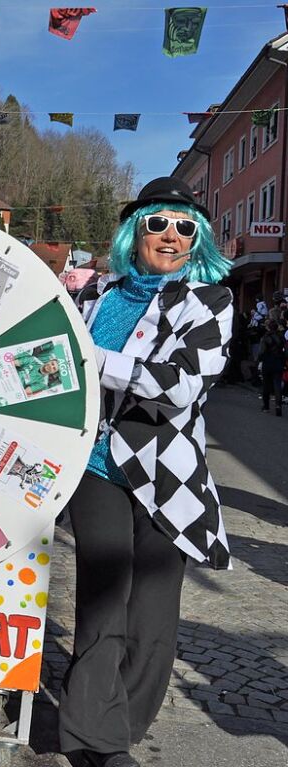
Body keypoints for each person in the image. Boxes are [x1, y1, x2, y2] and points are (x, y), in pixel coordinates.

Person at [59, 177, 233, 767]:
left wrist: (95, 360)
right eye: (158, 223)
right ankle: (94, 740)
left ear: (197, 239)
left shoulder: (208, 302)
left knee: (152, 617)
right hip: (96, 467)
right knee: (105, 600)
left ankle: (120, 727)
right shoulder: (94, 297)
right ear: (136, 231)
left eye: (185, 227)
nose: (170, 236)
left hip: (168, 477)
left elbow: (181, 384)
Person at [259, 318, 285, 416]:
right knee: (277, 384)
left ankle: (266, 406)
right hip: (278, 362)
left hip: (268, 362)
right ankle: (278, 405)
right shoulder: (281, 337)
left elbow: (261, 352)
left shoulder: (265, 337)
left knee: (266, 384)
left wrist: (259, 360)